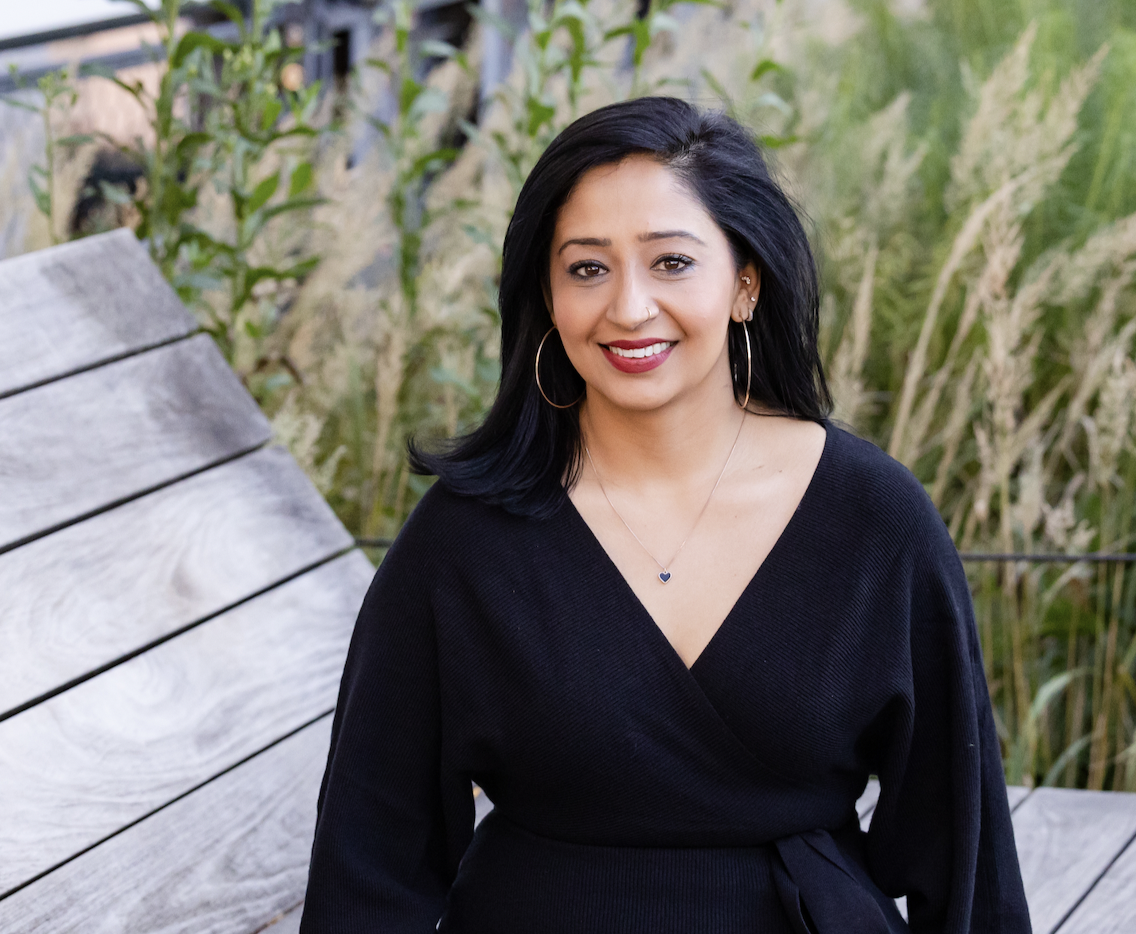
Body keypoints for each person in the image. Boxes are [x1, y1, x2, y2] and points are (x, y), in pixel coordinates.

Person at [300, 96, 1031, 934]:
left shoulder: (875, 520)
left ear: (745, 284)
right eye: (587, 268)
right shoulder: (465, 538)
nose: (629, 307)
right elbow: (370, 856)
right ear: (548, 294)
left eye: (672, 263)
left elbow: (963, 856)